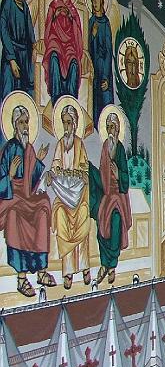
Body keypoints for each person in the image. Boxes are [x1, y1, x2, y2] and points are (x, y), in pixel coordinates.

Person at [0, 105, 53, 297]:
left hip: (28, 196)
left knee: (43, 208)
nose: (25, 126)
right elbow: (1, 181)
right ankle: (21, 279)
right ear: (14, 125)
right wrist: (10, 175)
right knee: (15, 215)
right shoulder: (9, 148)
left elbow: (32, 181)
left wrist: (39, 163)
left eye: (26, 122)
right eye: (21, 122)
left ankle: (41, 271)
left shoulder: (29, 148)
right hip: (12, 195)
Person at [46, 104, 91, 289]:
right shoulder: (60, 144)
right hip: (63, 199)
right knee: (60, 218)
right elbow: (55, 166)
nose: (66, 126)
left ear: (75, 124)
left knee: (83, 218)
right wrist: (53, 174)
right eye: (64, 122)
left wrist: (81, 174)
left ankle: (85, 267)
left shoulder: (79, 144)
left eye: (69, 122)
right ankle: (68, 271)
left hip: (79, 197)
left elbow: (85, 169)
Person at [94, 111, 131, 285]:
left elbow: (126, 178)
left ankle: (112, 266)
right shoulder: (105, 147)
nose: (110, 130)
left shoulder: (120, 149)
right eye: (108, 127)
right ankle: (104, 264)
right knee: (101, 223)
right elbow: (102, 170)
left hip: (119, 196)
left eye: (113, 127)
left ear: (117, 129)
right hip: (107, 194)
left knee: (116, 222)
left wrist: (118, 175)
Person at [43, 0, 83, 103]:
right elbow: (47, 31)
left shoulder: (73, 11)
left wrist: (71, 18)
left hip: (70, 46)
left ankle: (71, 101)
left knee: (74, 63)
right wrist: (55, 15)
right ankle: (56, 99)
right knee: (54, 57)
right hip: (55, 42)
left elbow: (78, 38)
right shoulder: (53, 5)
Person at [0, 0, 36, 99]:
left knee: (25, 94)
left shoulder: (24, 5)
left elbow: (30, 30)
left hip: (25, 55)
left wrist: (34, 46)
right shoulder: (8, 0)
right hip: (12, 53)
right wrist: (12, 59)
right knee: (9, 91)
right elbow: (3, 28)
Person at [88, 0, 114, 128]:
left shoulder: (106, 23)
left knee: (106, 101)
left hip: (104, 69)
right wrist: (92, 35)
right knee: (96, 104)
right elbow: (87, 48)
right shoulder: (91, 22)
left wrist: (106, 76)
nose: (95, 1)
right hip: (94, 70)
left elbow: (109, 51)